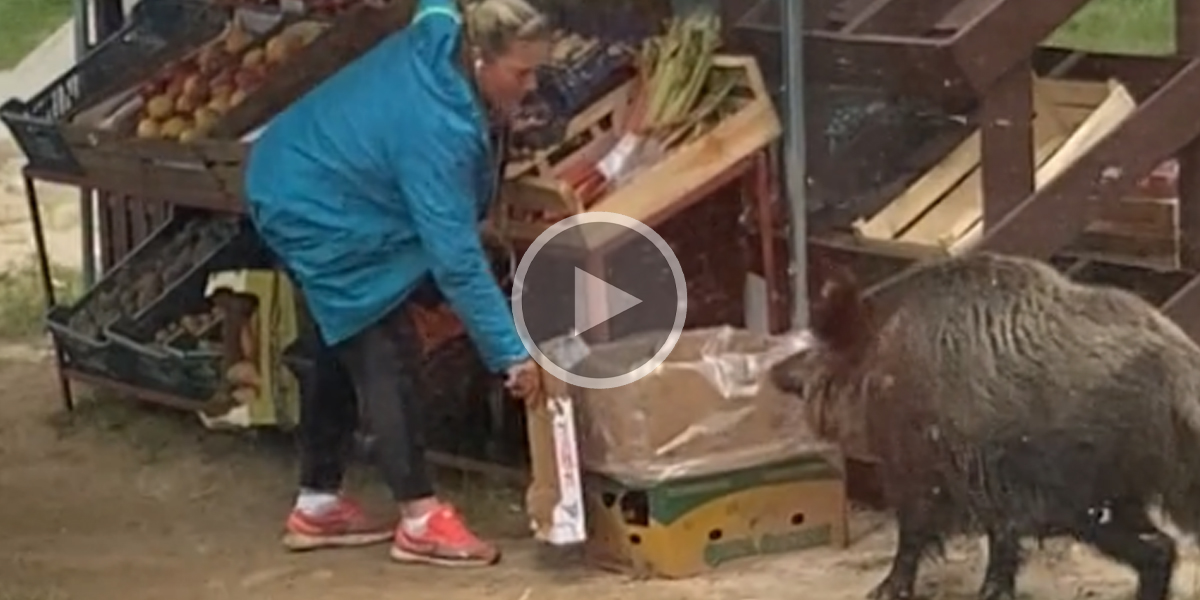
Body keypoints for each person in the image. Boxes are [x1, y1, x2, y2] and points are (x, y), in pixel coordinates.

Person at [242, 0, 550, 567]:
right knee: (384, 344)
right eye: (521, 73)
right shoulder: (439, 130)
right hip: (315, 204)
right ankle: (420, 517)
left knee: (337, 344)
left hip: (296, 171)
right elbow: (454, 258)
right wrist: (511, 353)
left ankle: (317, 502)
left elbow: (434, 6)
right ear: (480, 61)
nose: (530, 86)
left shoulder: (442, 31)